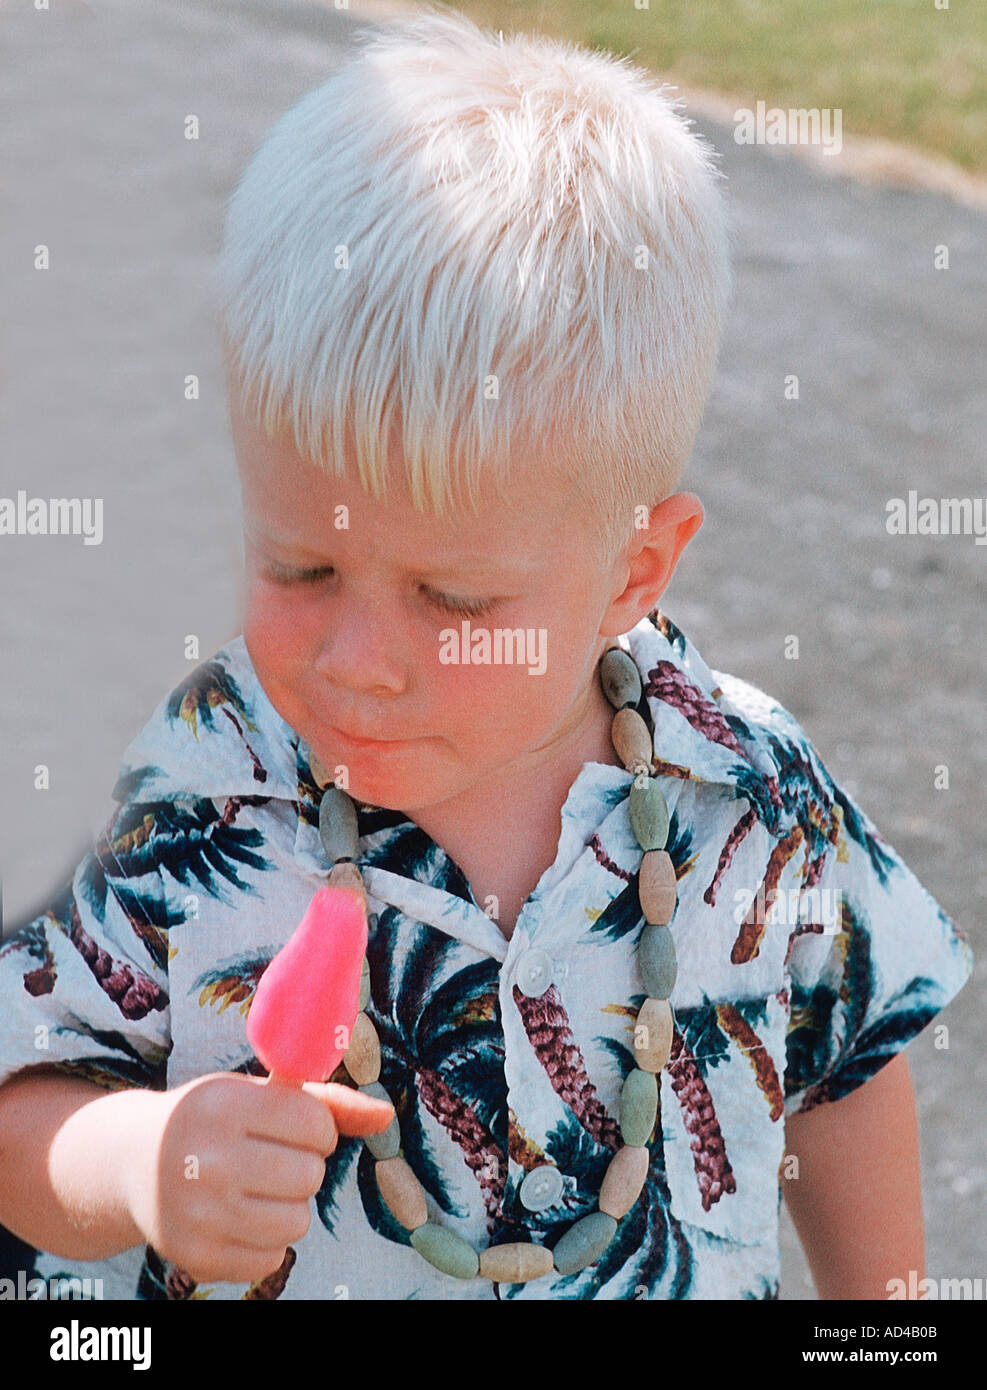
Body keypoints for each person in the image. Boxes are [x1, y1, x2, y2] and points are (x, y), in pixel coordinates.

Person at [0, 7, 972, 1301]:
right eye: (302, 565)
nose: (358, 657)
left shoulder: (750, 789)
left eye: (451, 597)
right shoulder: (182, 784)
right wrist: (140, 1162)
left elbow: (845, 1067)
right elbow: (21, 1102)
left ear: (636, 569)